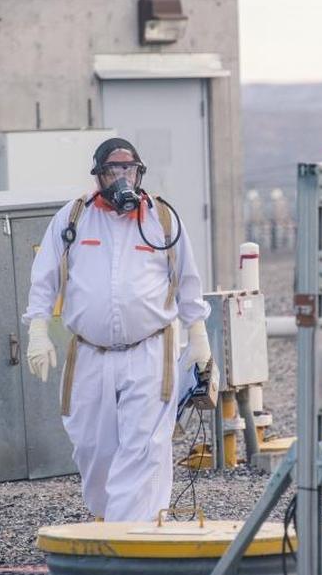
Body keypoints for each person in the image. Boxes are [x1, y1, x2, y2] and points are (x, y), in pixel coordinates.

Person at [22, 137, 211, 521]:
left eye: (130, 170)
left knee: (142, 451)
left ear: (140, 174)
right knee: (93, 449)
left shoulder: (163, 220)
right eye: (114, 170)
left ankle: (128, 541)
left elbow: (187, 278)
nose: (123, 178)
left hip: (149, 353)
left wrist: (198, 335)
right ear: (98, 175)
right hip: (90, 354)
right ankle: (108, 522)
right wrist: (38, 331)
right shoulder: (73, 218)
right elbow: (44, 280)